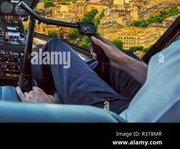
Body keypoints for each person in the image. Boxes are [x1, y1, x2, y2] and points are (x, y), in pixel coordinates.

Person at [16, 35, 180, 122]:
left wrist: (52, 112)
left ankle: (30, 89)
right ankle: (72, 83)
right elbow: (169, 78)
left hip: (122, 118)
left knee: (56, 50)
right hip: (154, 97)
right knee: (108, 63)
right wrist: (123, 61)